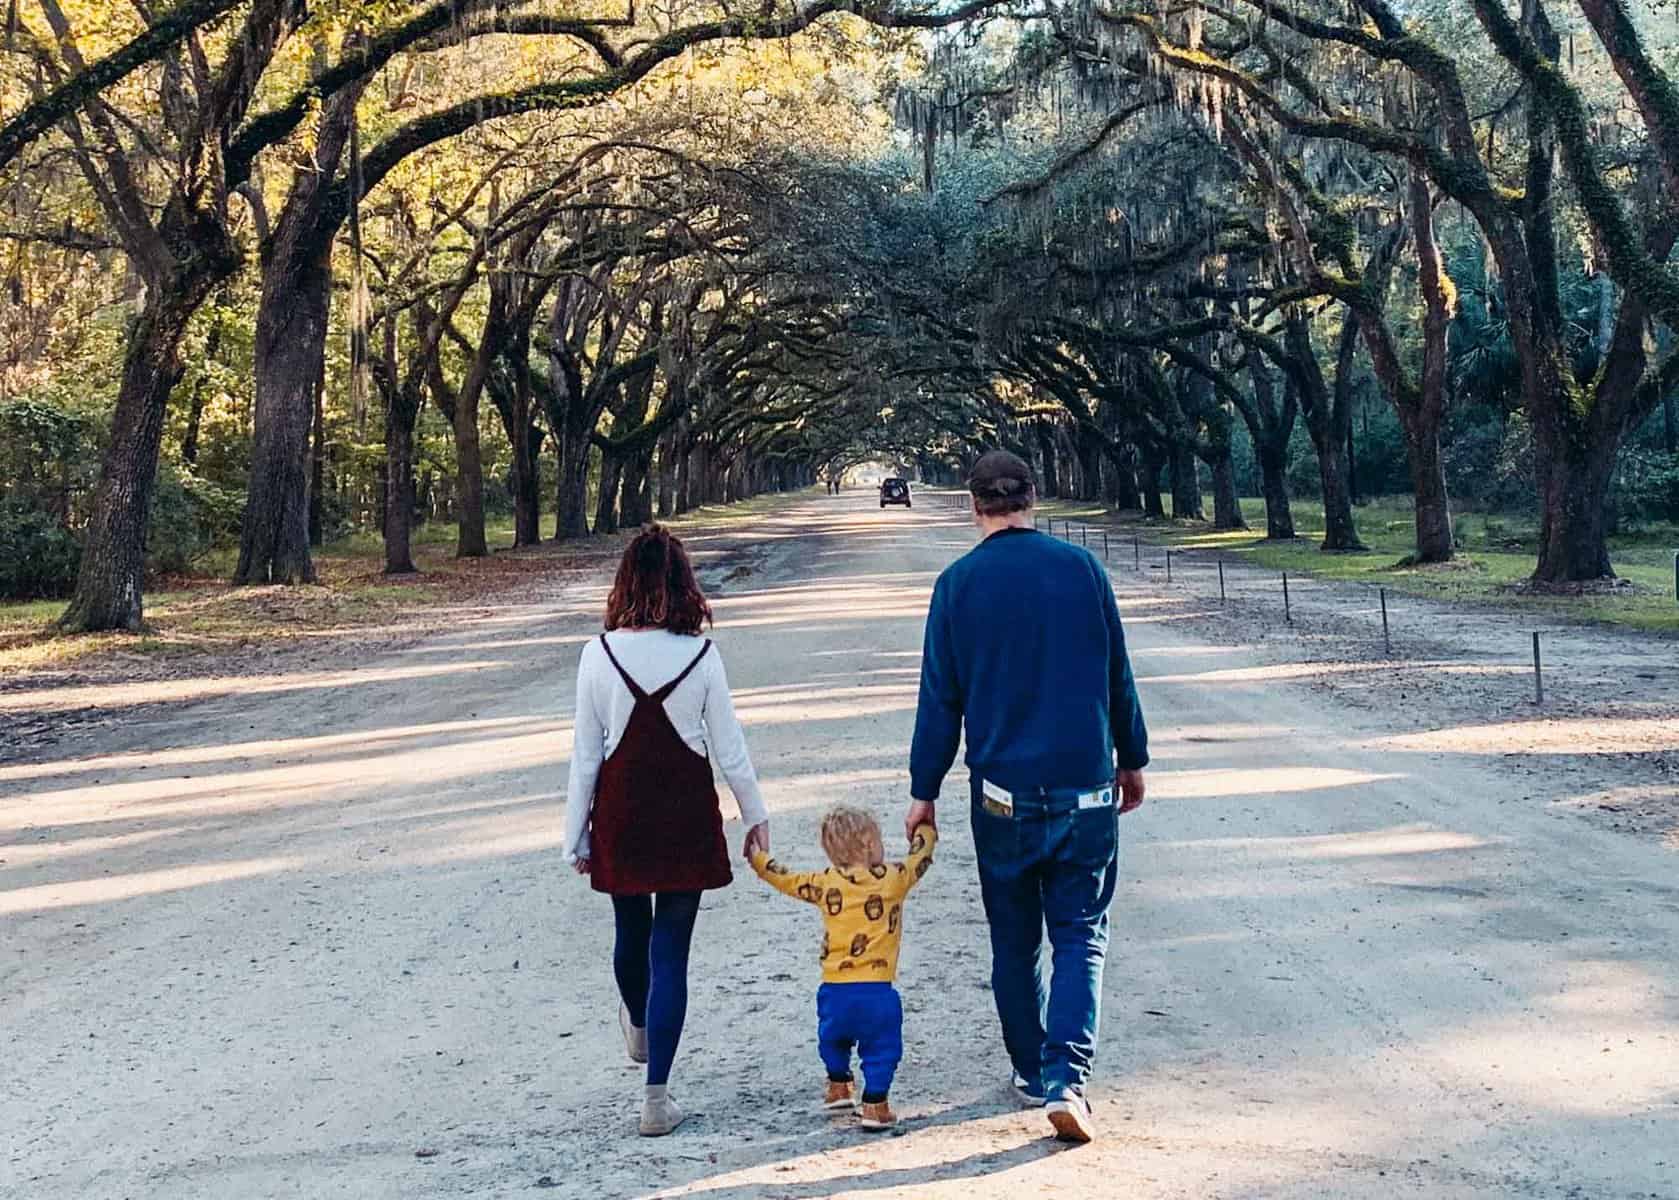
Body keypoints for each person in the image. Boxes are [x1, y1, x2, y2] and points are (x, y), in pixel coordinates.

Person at [905, 449, 1148, 1145]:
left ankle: (1028, 1069)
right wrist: (1131, 759)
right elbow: (1116, 676)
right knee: (1079, 935)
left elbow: (938, 701)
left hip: (1002, 795)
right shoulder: (1081, 570)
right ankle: (1066, 1077)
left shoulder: (956, 585)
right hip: (1086, 786)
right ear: (1031, 498)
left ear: (971, 503)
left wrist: (923, 791)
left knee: (1013, 941)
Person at [563, 524, 770, 1137]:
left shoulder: (597, 654)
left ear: (624, 583)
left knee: (631, 927)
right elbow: (730, 750)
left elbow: (584, 757)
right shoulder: (702, 655)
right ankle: (657, 1097)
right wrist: (755, 814)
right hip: (684, 813)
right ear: (684, 584)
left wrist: (575, 833)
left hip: (622, 812)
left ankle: (638, 1024)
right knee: (671, 952)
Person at [750, 806, 937, 1132]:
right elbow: (918, 860)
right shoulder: (892, 880)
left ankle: (838, 1084)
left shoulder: (825, 883)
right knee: (882, 1049)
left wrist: (760, 861)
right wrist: (926, 832)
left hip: (834, 988)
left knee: (832, 1039)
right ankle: (875, 1104)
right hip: (877, 990)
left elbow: (787, 879)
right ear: (867, 844)